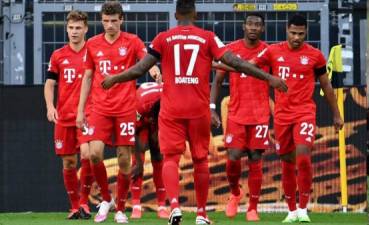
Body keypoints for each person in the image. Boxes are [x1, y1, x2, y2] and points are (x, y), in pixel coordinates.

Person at [101, 0, 287, 224]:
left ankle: (175, 207)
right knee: (200, 161)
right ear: (195, 14)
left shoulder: (163, 38)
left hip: (171, 109)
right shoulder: (208, 37)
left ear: (176, 14)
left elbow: (140, 68)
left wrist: (114, 78)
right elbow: (236, 63)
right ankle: (201, 214)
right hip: (198, 110)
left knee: (170, 158)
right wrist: (269, 78)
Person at [75, 1, 160, 223]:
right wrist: (80, 110)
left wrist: (153, 68)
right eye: (105, 21)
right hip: (99, 108)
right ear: (101, 20)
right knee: (94, 154)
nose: (110, 25)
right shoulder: (92, 44)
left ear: (121, 20)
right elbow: (87, 77)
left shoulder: (132, 41)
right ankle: (106, 198)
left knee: (124, 160)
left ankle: (121, 208)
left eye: (114, 21)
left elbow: (146, 59)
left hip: (125, 108)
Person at [254, 14, 344, 223]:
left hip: (304, 112)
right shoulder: (273, 51)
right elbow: (250, 65)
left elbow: (326, 86)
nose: (296, 37)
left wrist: (337, 114)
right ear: (287, 30)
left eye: (301, 34)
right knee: (286, 161)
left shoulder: (315, 56)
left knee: (303, 156)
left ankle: (304, 208)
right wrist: (216, 65)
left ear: (306, 33)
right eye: (293, 33)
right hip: (282, 116)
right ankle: (292, 210)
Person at [210, 13, 269, 221]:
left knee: (255, 158)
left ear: (262, 28)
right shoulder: (231, 49)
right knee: (233, 158)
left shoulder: (268, 51)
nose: (253, 27)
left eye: (257, 25)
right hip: (236, 114)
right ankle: (235, 192)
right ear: (244, 26)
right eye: (250, 24)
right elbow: (217, 81)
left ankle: (253, 207)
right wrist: (211, 107)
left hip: (260, 115)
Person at [44, 10, 93, 220]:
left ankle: (85, 202)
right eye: (71, 27)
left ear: (86, 29)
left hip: (87, 114)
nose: (74, 32)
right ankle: (74, 207)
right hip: (64, 116)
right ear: (66, 28)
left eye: (78, 28)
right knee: (69, 163)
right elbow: (50, 84)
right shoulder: (58, 55)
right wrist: (49, 106)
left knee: (88, 155)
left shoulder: (93, 52)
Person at [130, 82, 169, 219]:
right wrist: (140, 164)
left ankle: (162, 206)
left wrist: (158, 134)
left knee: (158, 156)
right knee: (137, 158)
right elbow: (133, 133)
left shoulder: (169, 102)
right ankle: (136, 205)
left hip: (158, 113)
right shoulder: (140, 105)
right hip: (141, 116)